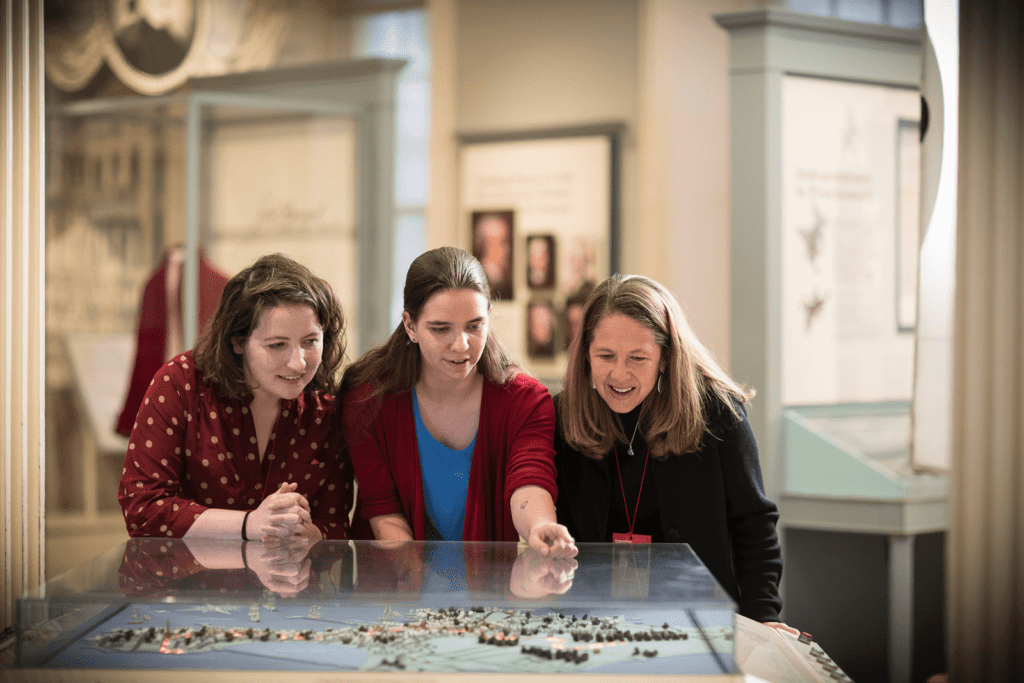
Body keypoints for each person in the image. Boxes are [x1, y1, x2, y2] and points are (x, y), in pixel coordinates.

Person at [554, 274, 788, 626]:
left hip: (699, 620)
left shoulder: (717, 412)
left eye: (637, 358)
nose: (619, 374)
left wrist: (763, 615)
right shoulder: (563, 415)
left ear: (665, 357)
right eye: (605, 355)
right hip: (595, 621)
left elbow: (753, 526)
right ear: (586, 354)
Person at [341, 246, 576, 558]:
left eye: (474, 326)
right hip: (394, 590)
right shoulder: (366, 401)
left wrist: (540, 525)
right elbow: (383, 508)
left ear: (489, 317)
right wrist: (416, 598)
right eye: (441, 329)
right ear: (410, 326)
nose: (461, 344)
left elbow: (530, 478)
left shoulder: (525, 400)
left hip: (489, 599)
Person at [118, 253, 360, 542]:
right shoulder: (180, 383)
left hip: (288, 582)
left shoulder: (326, 409)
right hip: (186, 582)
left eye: (310, 341)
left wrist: (302, 533)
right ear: (237, 341)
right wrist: (249, 525)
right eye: (277, 345)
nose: (298, 363)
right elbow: (142, 508)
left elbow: (335, 524)